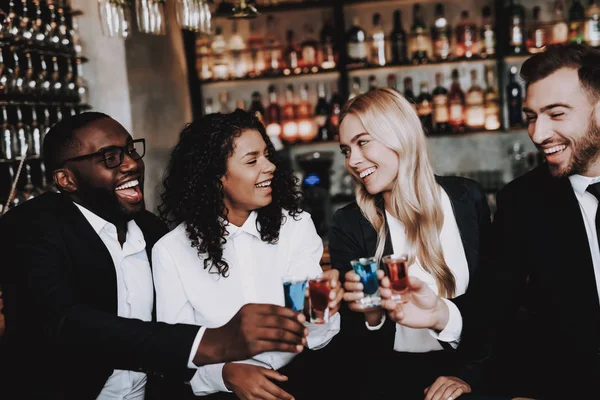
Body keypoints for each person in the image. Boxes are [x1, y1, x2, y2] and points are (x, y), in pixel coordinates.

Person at [0, 112, 309, 399]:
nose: (132, 164)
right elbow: (67, 323)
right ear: (67, 180)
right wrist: (212, 342)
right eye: (111, 157)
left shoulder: (152, 232)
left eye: (131, 150)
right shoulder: (33, 225)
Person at [380, 43, 600, 400]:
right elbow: (497, 304)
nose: (538, 133)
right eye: (531, 116)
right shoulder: (523, 200)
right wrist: (443, 319)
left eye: (556, 114)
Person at [153, 109, 343, 400]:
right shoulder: (171, 251)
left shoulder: (295, 226)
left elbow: (316, 339)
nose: (269, 167)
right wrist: (225, 374)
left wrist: (321, 310)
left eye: (267, 155)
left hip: (301, 379)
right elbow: (177, 352)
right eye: (252, 160)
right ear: (216, 178)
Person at [327, 87, 491, 400]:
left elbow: (495, 306)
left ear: (400, 136)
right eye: (346, 150)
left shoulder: (467, 198)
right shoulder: (349, 223)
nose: (353, 160)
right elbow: (351, 349)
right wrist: (371, 316)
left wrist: (469, 375)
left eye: (362, 143)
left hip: (469, 369)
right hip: (390, 380)